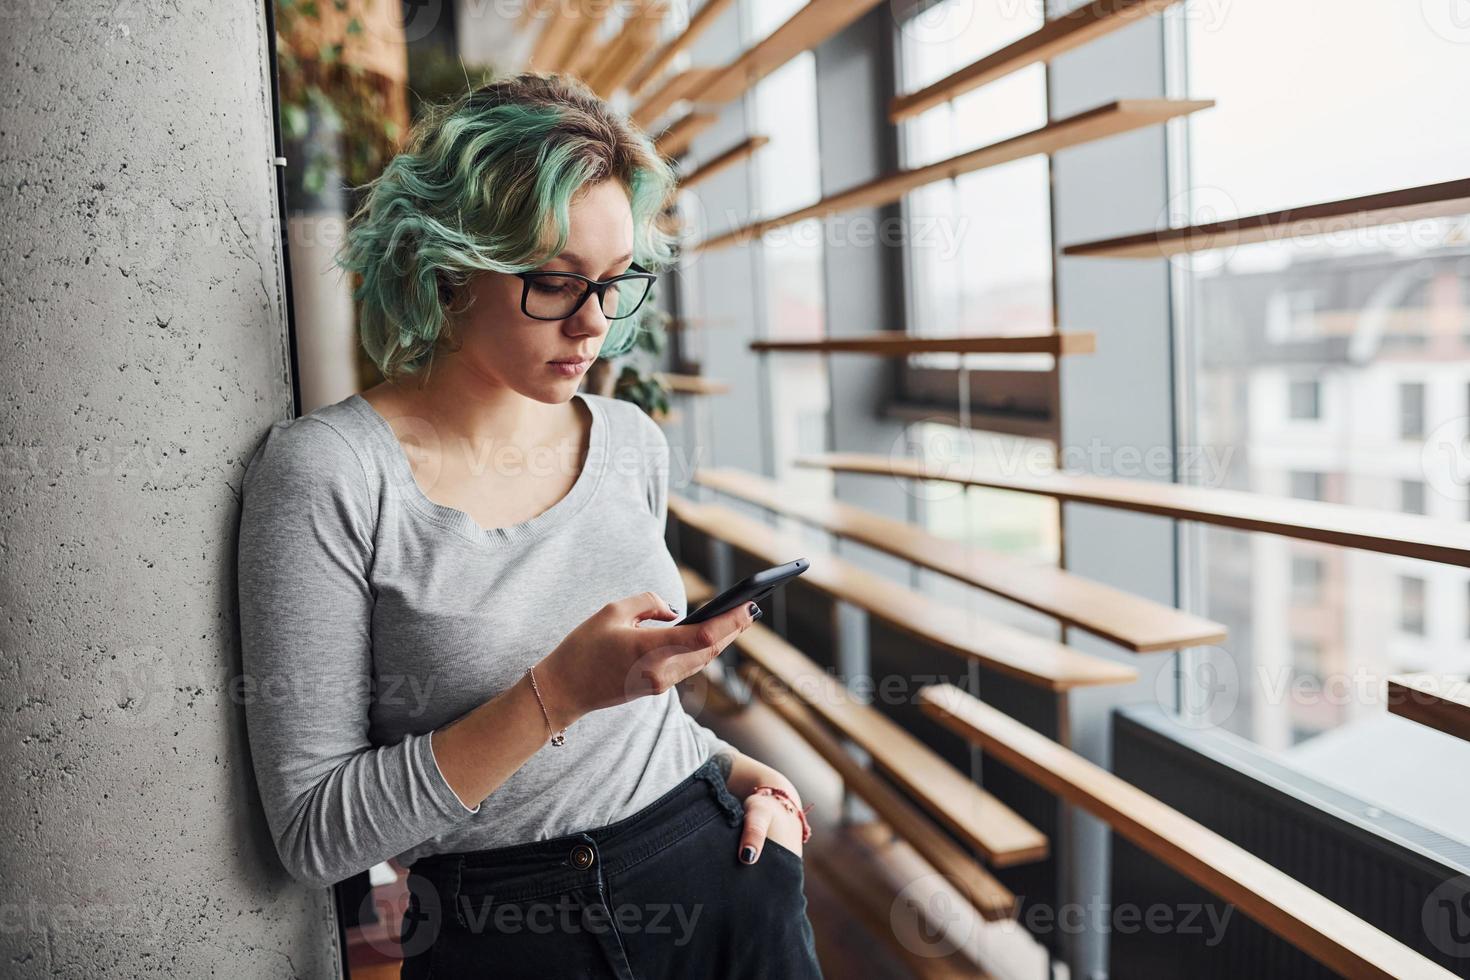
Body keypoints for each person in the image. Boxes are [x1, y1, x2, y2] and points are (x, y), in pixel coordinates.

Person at [236, 71, 823, 979]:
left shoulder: (629, 441)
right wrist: (554, 694)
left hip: (728, 885)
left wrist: (743, 775)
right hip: (509, 938)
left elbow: (633, 728)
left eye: (614, 282)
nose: (592, 325)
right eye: (554, 283)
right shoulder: (330, 475)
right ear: (449, 261)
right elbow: (316, 832)